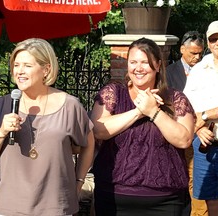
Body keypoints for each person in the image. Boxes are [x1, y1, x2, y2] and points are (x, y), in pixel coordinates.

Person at [0, 38, 95, 216]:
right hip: (7, 207)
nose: (20, 72)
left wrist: (78, 182)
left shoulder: (70, 106)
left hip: (55, 207)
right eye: (16, 65)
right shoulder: (2, 105)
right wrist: (1, 132)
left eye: (27, 66)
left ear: (46, 69)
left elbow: (88, 144)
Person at [90, 37, 196, 216]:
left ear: (157, 65)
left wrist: (154, 112)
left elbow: (184, 139)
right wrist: (139, 111)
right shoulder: (113, 93)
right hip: (114, 197)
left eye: (145, 62)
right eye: (133, 62)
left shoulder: (175, 99)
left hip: (165, 200)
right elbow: (99, 130)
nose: (138, 68)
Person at [166, 31, 207, 216]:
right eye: (193, 53)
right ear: (182, 49)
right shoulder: (169, 72)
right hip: (175, 133)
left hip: (199, 133)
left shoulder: (207, 71)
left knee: (195, 180)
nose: (197, 57)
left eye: (200, 53)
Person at [183, 20, 218, 216]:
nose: (217, 42)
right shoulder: (198, 70)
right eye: (213, 39)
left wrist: (205, 114)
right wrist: (198, 128)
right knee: (209, 200)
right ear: (208, 42)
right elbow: (186, 108)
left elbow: (201, 112)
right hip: (205, 145)